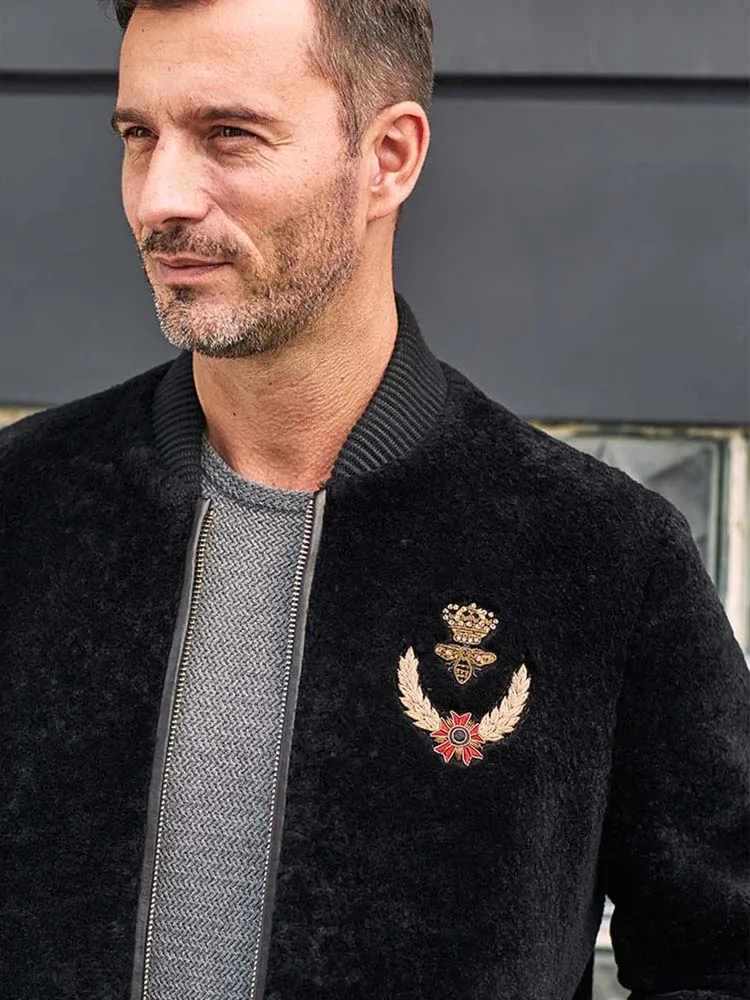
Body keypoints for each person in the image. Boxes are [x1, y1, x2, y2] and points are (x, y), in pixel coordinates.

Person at [1, 0, 747, 997]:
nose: (160, 197)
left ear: (388, 158)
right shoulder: (22, 509)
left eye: (229, 134)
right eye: (140, 136)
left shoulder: (600, 553)